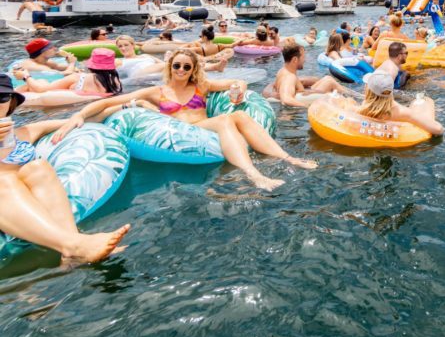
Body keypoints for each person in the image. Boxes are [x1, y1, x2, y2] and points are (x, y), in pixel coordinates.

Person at [54, 49, 316, 190]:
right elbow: (107, 103)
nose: (181, 70)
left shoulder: (202, 86)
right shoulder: (158, 92)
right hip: (180, 131)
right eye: (177, 66)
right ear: (171, 68)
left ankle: (288, 158)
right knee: (226, 120)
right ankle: (253, 174)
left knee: (237, 114)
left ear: (193, 70)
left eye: (186, 67)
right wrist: (78, 115)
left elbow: (234, 81)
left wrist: (238, 88)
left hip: (203, 126)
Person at [0, 73, 130, 262]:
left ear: (11, 101)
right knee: (5, 179)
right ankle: (74, 245)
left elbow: (82, 122)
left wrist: (129, 104)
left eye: (2, 97)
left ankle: (72, 250)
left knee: (38, 167)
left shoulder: (25, 132)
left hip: (23, 193)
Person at [351, 72, 443, 136]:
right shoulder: (403, 113)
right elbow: (438, 129)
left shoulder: (362, 109)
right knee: (424, 100)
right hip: (400, 121)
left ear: (368, 90)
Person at [262, 42, 346, 107]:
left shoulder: (282, 71)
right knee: (330, 82)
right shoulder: (289, 77)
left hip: (303, 93)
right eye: (303, 57)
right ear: (295, 59)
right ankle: (352, 98)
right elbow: (286, 99)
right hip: (303, 102)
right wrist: (307, 107)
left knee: (328, 79)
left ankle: (351, 95)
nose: (305, 60)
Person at [15, 48, 123, 98]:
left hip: (66, 109)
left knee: (36, 83)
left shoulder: (78, 77)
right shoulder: (115, 80)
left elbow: (41, 90)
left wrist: (26, 76)